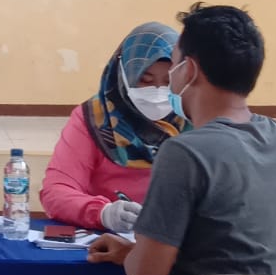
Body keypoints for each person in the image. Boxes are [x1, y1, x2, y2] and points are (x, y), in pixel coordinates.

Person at [7, 4, 276, 275]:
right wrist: (127, 240)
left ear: (189, 71)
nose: (162, 85)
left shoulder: (184, 152)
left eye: (172, 67)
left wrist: (139, 251)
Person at [40, 22, 187, 232]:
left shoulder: (192, 119)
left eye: (168, 82)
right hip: (106, 238)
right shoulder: (95, 118)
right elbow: (56, 191)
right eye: (145, 80)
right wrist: (103, 213)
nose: (157, 90)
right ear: (123, 77)